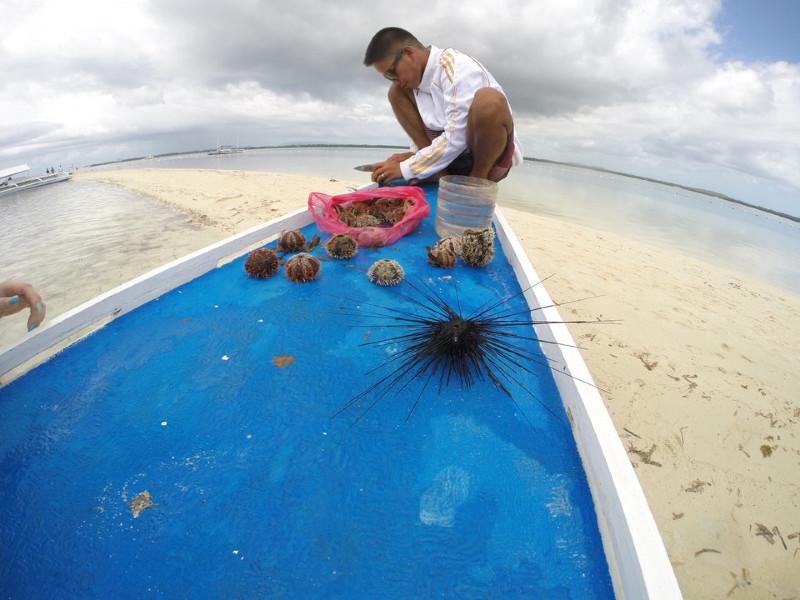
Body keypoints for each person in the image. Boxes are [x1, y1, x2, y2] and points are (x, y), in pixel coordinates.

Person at [364, 27, 522, 186]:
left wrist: (407, 168)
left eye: (392, 73)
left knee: (489, 101)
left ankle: (475, 183)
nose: (394, 80)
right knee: (396, 92)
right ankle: (440, 176)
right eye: (388, 77)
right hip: (448, 161)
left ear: (409, 54)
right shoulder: (411, 84)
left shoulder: (455, 66)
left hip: (483, 160)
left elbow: (457, 135)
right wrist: (414, 156)